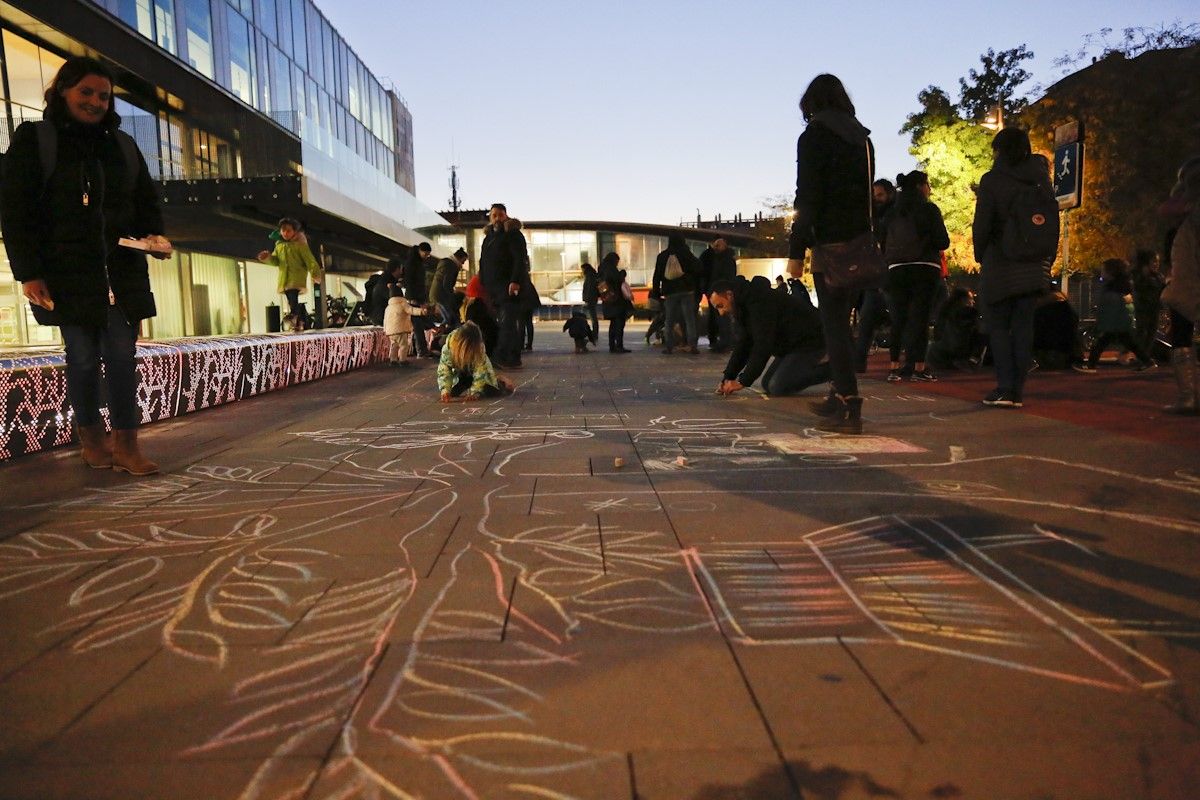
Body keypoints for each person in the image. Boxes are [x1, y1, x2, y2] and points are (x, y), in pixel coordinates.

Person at [1, 56, 172, 475]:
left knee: (121, 355)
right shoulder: (35, 139)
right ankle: (92, 440)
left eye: (103, 95)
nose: (96, 102)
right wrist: (29, 272)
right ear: (64, 91)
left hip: (122, 271)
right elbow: (15, 209)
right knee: (80, 357)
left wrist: (154, 237)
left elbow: (145, 201)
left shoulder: (123, 146)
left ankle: (127, 445)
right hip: (67, 274)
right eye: (87, 93)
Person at [787, 73, 875, 434]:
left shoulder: (814, 136)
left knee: (834, 324)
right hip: (861, 241)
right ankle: (839, 390)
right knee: (844, 320)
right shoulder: (863, 139)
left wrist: (797, 249)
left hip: (830, 243)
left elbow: (808, 194)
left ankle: (847, 401)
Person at [971, 127, 1055, 408]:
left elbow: (982, 223)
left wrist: (981, 253)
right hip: (1034, 265)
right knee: (1023, 327)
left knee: (998, 326)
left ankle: (1004, 387)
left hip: (1001, 261)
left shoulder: (993, 180)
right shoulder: (1041, 180)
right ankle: (1017, 390)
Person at [881, 170, 950, 382]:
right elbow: (942, 241)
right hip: (924, 267)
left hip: (897, 268)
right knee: (920, 319)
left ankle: (894, 367)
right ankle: (919, 367)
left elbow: (882, 241)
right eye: (928, 185)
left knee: (898, 317)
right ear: (921, 186)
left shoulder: (892, 213)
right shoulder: (929, 209)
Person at [710, 276, 830, 397]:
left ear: (729, 295)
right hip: (791, 345)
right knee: (767, 383)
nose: (721, 312)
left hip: (811, 340)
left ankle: (838, 370)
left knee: (778, 385)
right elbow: (744, 344)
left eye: (720, 306)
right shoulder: (743, 306)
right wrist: (728, 377)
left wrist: (743, 381)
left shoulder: (759, 302)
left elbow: (762, 345)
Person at [1159, 157, 1200, 414]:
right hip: (1186, 274)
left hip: (1187, 277)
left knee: (1182, 334)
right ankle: (1187, 398)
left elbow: (1167, 213)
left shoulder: (1186, 208)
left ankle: (1188, 397)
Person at [1075, 259, 1157, 372]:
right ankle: (1148, 362)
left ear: (1111, 273)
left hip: (1113, 325)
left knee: (1099, 344)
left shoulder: (1112, 289)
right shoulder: (1120, 288)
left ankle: (1091, 365)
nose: (1101, 272)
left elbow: (1110, 309)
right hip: (1119, 324)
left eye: (1104, 270)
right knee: (1130, 344)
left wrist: (1101, 324)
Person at [478, 203, 530, 369]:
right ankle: (513, 357)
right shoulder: (488, 238)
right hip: (493, 288)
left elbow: (519, 260)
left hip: (508, 286)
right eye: (494, 215)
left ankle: (503, 356)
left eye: (500, 215)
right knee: (504, 322)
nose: (497, 218)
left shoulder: (513, 234)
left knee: (508, 322)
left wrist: (515, 281)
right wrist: (483, 281)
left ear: (506, 216)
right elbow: (483, 261)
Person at [258, 217, 321, 330]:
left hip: (296, 277)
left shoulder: (300, 244)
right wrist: (267, 258)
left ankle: (294, 316)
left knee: (293, 297)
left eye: (288, 231)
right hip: (284, 278)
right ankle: (299, 321)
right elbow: (276, 261)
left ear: (294, 231)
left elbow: (309, 259)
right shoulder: (279, 245)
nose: (285, 233)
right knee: (291, 299)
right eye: (283, 230)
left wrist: (315, 273)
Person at [437, 321, 514, 402]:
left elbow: (480, 371)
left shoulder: (479, 348)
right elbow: (444, 370)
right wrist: (445, 390)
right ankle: (465, 385)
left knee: (491, 391)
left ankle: (499, 381)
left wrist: (475, 392)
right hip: (460, 374)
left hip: (480, 373)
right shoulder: (449, 347)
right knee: (452, 393)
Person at [652, 233, 700, 354]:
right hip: (687, 290)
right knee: (689, 319)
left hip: (670, 292)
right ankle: (692, 345)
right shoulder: (687, 253)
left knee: (669, 319)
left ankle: (669, 346)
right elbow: (699, 268)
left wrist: (656, 292)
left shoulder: (662, 256)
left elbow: (657, 275)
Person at [926, 287, 986, 371]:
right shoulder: (972, 315)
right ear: (963, 300)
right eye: (971, 299)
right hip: (964, 355)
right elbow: (981, 337)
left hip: (942, 354)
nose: (973, 301)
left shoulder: (944, 313)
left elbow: (937, 334)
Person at [699, 238, 737, 351]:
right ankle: (725, 341)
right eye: (715, 245)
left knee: (722, 316)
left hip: (721, 291)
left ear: (724, 246)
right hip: (717, 290)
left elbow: (726, 276)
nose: (715, 247)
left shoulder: (724, 260)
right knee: (720, 316)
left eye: (718, 245)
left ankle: (726, 341)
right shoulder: (722, 258)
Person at [1130, 248, 1165, 356]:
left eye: (1158, 261)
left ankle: (1145, 356)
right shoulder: (1140, 276)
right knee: (1142, 332)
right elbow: (1138, 290)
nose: (1156, 264)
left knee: (1152, 333)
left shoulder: (1159, 276)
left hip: (1155, 309)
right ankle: (1139, 355)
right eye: (1154, 261)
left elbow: (1162, 291)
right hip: (1143, 309)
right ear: (1146, 263)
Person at [382, 283, 427, 366]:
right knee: (403, 345)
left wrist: (385, 329)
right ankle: (402, 360)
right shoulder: (403, 304)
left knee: (394, 345)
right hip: (400, 329)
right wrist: (422, 311)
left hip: (390, 331)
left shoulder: (388, 307)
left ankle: (393, 360)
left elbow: (385, 320)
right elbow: (411, 310)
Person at [401, 244, 433, 357]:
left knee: (418, 324)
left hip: (417, 297)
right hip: (414, 298)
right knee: (418, 324)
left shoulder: (416, 262)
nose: (427, 256)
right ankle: (421, 350)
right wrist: (416, 298)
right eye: (426, 254)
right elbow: (411, 282)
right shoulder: (412, 263)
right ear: (420, 250)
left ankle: (419, 349)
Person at [597, 252, 631, 353]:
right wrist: (622, 273)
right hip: (616, 301)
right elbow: (617, 280)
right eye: (617, 261)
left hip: (608, 300)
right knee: (619, 323)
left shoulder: (602, 268)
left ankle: (612, 345)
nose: (617, 263)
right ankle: (619, 346)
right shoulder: (610, 269)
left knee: (613, 324)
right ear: (613, 260)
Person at [430, 247, 468, 330]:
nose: (462, 264)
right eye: (463, 261)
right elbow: (447, 284)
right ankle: (440, 331)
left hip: (436, 294)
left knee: (449, 318)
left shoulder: (445, 262)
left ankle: (441, 330)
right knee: (450, 318)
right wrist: (452, 296)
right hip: (441, 296)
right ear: (459, 258)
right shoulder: (451, 266)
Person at [580, 262, 600, 344]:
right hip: (592, 299)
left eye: (582, 269)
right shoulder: (592, 275)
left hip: (590, 299)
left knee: (593, 317)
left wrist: (587, 299)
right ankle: (593, 333)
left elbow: (589, 289)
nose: (582, 271)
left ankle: (594, 334)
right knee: (592, 317)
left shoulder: (590, 276)